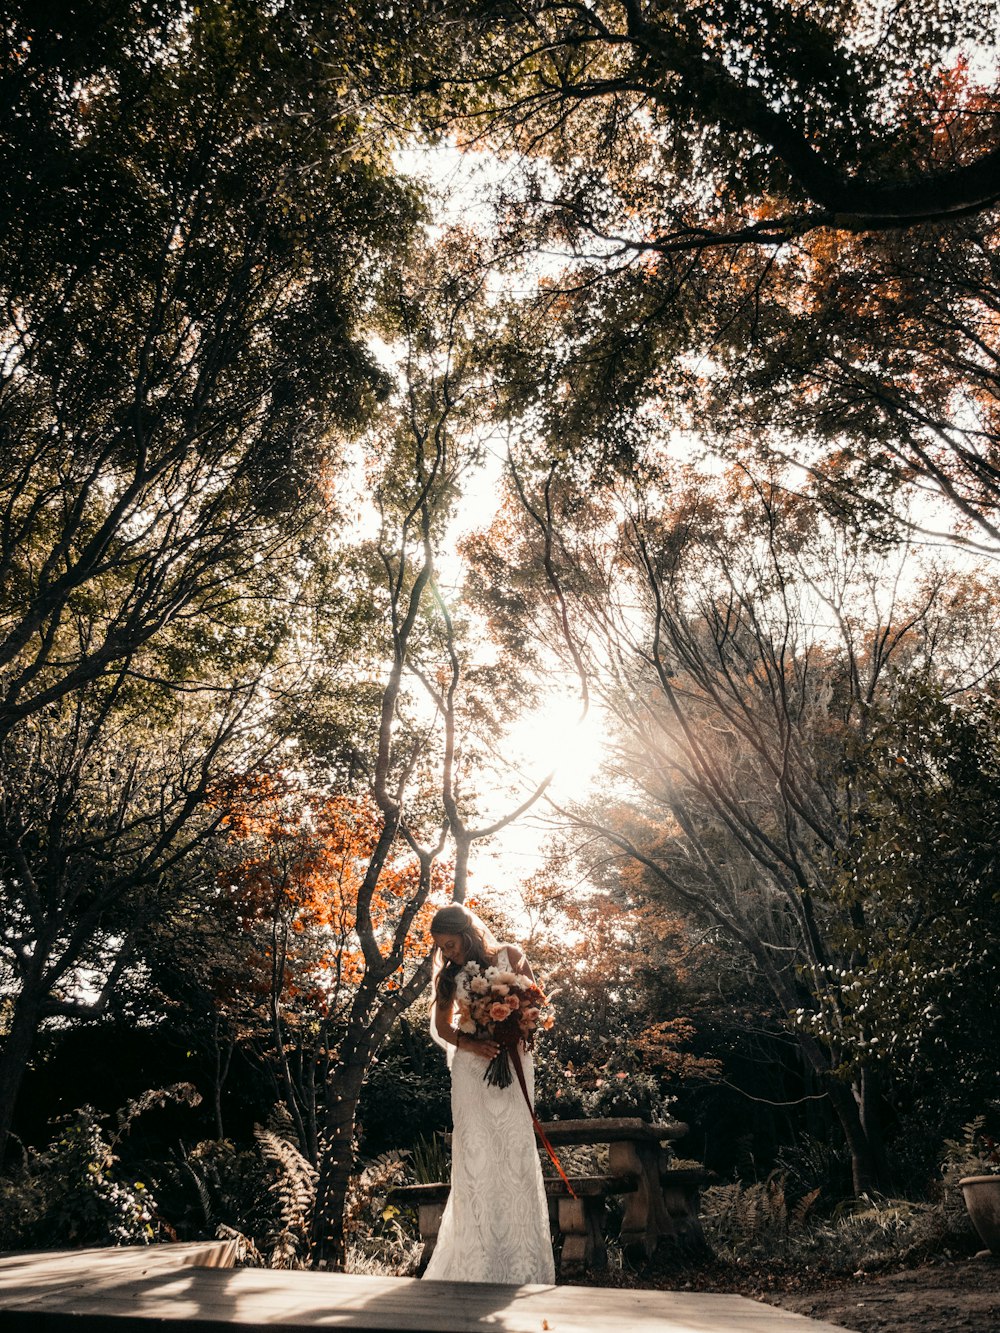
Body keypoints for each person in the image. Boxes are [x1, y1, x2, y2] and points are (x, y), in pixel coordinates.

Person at [422, 903, 555, 1285]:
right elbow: (442, 1028)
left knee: (513, 1154)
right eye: (442, 948)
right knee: (477, 1157)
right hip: (471, 1069)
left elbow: (536, 1004)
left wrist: (518, 1025)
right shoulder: (449, 978)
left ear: (468, 933)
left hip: (512, 1063)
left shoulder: (509, 956)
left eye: (451, 944)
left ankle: (521, 1264)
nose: (448, 953)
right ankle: (476, 1264)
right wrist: (470, 1043)